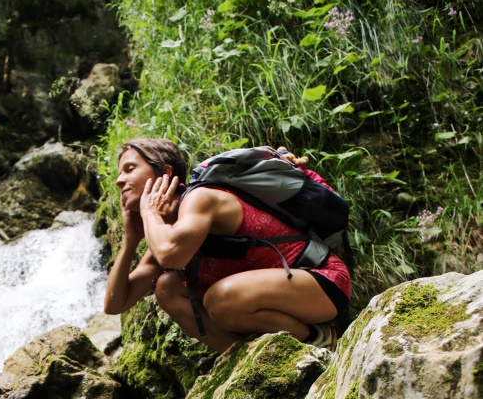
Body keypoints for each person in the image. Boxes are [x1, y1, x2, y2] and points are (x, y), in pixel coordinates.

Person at [104, 137, 352, 353]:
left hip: (323, 283)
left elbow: (170, 255)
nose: (119, 180)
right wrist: (130, 240)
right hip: (276, 297)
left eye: (130, 169)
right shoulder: (167, 234)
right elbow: (115, 304)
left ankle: (317, 338)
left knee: (220, 299)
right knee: (167, 288)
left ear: (165, 173)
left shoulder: (201, 198)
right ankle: (241, 360)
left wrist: (149, 212)